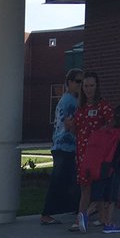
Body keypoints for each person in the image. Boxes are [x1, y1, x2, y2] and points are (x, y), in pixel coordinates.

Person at [69, 72, 113, 233]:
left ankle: (101, 217)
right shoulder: (79, 109)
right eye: (85, 86)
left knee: (100, 185)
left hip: (99, 152)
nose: (88, 89)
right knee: (85, 186)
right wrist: (70, 125)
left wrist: (102, 132)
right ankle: (81, 218)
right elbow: (76, 131)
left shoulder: (103, 106)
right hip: (83, 152)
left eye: (91, 85)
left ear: (97, 86)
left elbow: (112, 126)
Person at [40, 68, 83, 225]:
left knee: (71, 179)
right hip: (65, 146)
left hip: (63, 146)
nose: (81, 85)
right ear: (69, 82)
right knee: (59, 180)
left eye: (82, 82)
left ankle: (77, 207)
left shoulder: (67, 99)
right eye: (78, 81)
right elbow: (69, 124)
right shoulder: (70, 101)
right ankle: (47, 213)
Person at [89, 105, 120, 234]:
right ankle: (108, 223)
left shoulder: (106, 129)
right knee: (112, 197)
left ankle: (85, 214)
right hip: (115, 166)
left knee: (100, 194)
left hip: (102, 164)